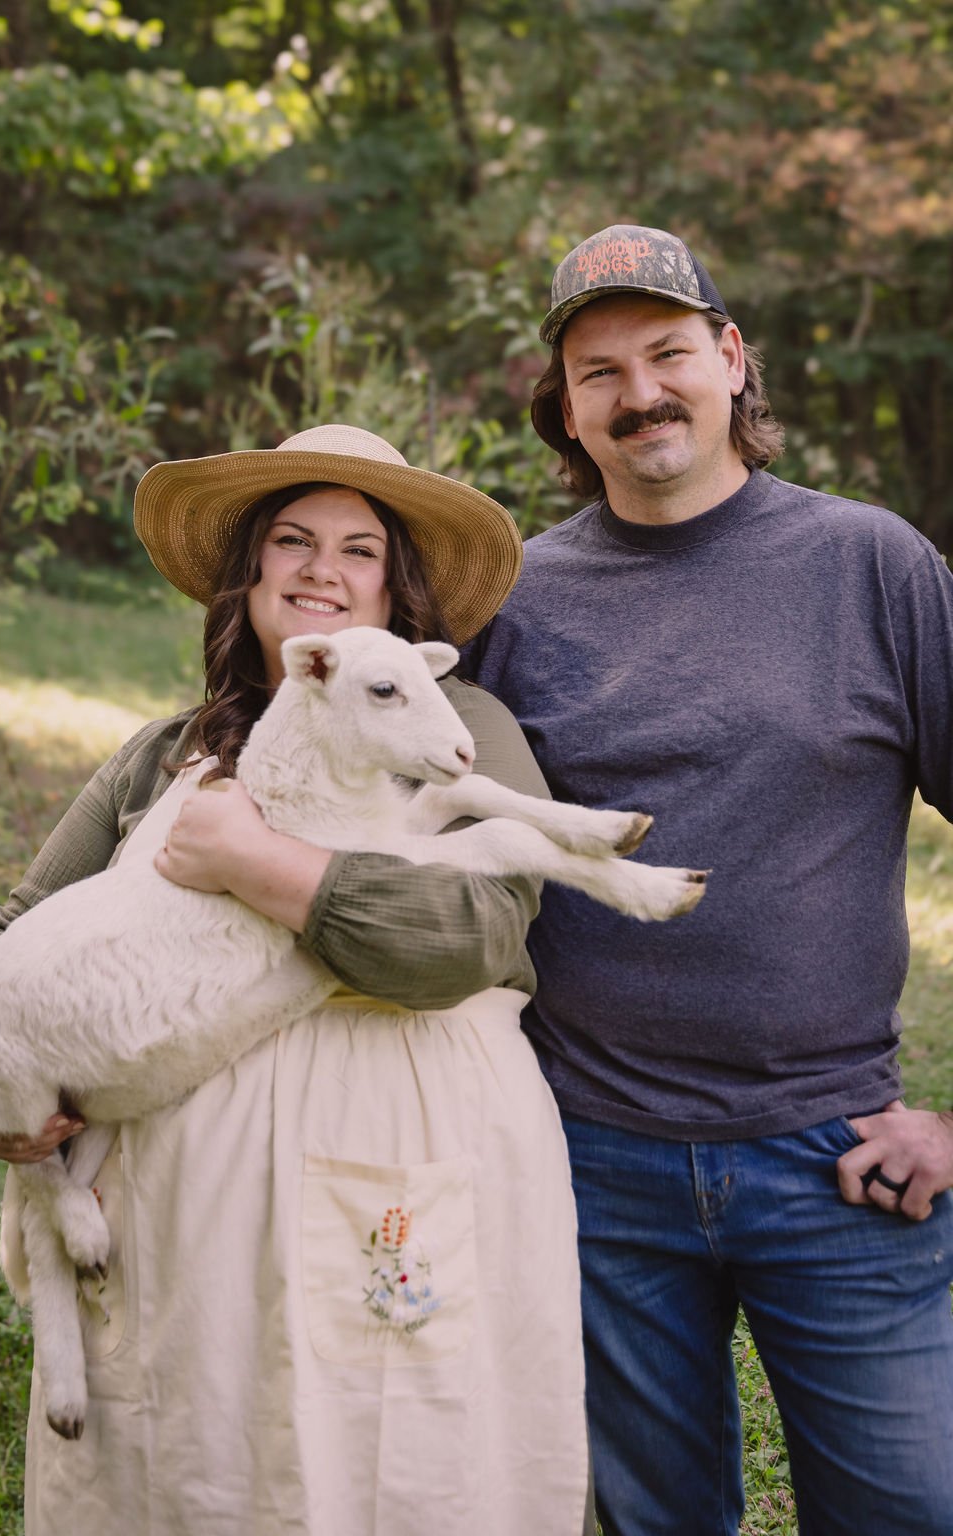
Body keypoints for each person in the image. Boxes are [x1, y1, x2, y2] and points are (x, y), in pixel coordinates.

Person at [0, 424, 592, 1536]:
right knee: (192, 1458)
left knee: (397, 1456)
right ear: (250, 577)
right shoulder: (165, 751)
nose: (320, 569)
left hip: (397, 1163)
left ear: (397, 588)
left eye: (357, 548)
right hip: (175, 1205)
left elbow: (470, 935)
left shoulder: (461, 730)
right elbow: (13, 928)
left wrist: (259, 865)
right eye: (290, 540)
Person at [461, 223, 953, 1535]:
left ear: (732, 361)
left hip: (841, 1160)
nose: (641, 393)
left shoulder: (873, 568)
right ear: (566, 409)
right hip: (587, 1162)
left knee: (913, 1505)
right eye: (599, 371)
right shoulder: (512, 602)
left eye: (669, 352)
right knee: (645, 1521)